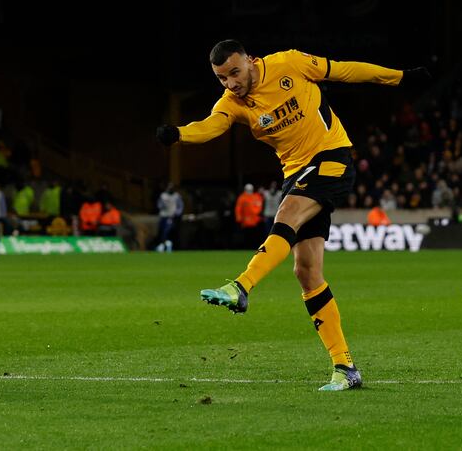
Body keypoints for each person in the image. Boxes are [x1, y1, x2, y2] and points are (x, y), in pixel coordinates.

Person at [156, 39, 429, 391]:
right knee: (307, 272)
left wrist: (399, 78)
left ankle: (241, 285)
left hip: (332, 157)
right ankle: (345, 368)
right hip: (296, 174)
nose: (231, 83)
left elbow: (345, 70)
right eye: (222, 79)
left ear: (251, 61)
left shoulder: (291, 64)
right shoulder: (234, 103)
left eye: (235, 73)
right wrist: (178, 134)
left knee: (287, 214)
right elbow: (211, 126)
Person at [235, 183, 264, 248]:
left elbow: (259, 207)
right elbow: (238, 209)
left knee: (255, 236)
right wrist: (238, 218)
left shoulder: (256, 197)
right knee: (246, 236)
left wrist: (258, 216)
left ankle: (254, 247)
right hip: (245, 221)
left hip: (255, 221)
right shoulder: (242, 198)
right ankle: (247, 247)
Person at [156, 183, 183, 252]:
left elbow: (180, 206)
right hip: (163, 216)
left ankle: (167, 245)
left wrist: (176, 213)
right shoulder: (163, 196)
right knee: (161, 231)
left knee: (167, 231)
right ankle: (163, 245)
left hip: (171, 216)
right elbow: (159, 205)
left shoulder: (176, 196)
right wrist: (163, 207)